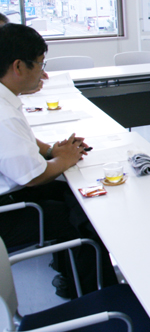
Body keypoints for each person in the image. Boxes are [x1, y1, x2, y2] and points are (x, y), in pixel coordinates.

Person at [0, 23, 117, 298]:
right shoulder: (4, 116)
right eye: (40, 64)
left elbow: (26, 143)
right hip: (7, 213)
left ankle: (70, 277)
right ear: (19, 67)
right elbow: (33, 177)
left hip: (12, 193)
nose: (45, 73)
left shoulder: (6, 99)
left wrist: (53, 150)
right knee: (83, 222)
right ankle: (96, 296)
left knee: (74, 196)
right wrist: (65, 159)